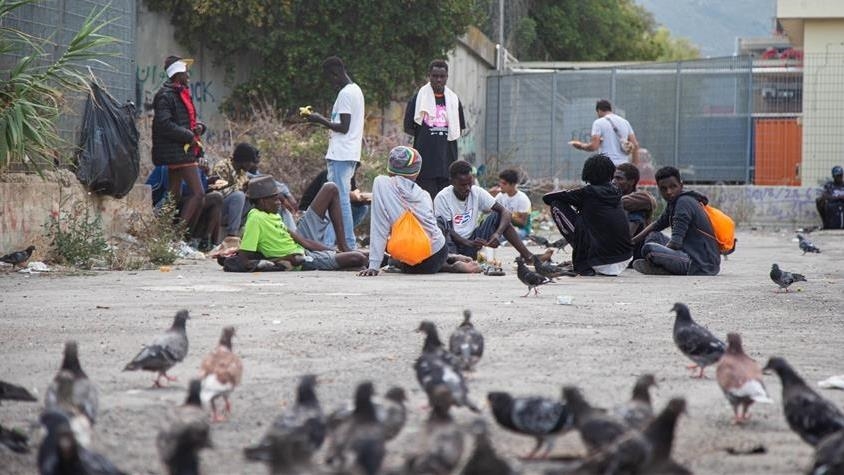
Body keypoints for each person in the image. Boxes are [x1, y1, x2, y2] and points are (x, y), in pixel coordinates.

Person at [359, 146, 479, 276]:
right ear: (416, 173)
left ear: (389, 169)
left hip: (410, 262)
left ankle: (451, 264)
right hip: (436, 256)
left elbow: (379, 224)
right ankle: (450, 259)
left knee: (398, 256)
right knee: (440, 223)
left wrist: (374, 265)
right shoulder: (423, 195)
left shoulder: (381, 183)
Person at [231, 176, 367, 271]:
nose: (279, 203)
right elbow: (245, 258)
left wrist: (333, 250)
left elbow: (305, 242)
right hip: (302, 259)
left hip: (303, 250)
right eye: (275, 200)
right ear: (262, 201)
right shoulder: (255, 219)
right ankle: (345, 262)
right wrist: (280, 261)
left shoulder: (273, 215)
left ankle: (344, 249)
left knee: (330, 188)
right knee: (358, 258)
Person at [306, 56, 364, 250]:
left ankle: (347, 243)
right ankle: (331, 242)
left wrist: (319, 119)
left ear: (336, 73)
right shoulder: (355, 91)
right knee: (339, 200)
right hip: (345, 153)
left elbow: (344, 127)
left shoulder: (346, 94)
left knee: (341, 201)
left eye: (330, 78)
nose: (330, 83)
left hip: (342, 154)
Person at [542, 154, 633, 276]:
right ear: (611, 174)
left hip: (600, 262)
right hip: (625, 257)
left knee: (556, 205)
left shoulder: (586, 192)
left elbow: (547, 198)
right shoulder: (616, 192)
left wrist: (575, 200)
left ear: (587, 174)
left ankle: (584, 262)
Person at [434, 160, 537, 263]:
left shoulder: (477, 192)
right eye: (463, 185)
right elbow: (448, 231)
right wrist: (468, 243)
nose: (468, 188)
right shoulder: (442, 198)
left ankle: (528, 257)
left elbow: (506, 212)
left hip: (472, 241)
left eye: (470, 183)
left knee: (499, 215)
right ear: (452, 182)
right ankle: (452, 260)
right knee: (440, 224)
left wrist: (497, 234)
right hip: (453, 245)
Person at [631, 166, 720, 276]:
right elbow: (657, 225)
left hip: (699, 264)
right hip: (692, 254)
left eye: (673, 187)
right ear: (659, 189)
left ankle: (664, 267)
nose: (669, 192)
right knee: (653, 236)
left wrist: (661, 255)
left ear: (681, 185)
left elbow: (675, 243)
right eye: (664, 189)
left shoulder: (683, 203)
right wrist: (632, 242)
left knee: (649, 249)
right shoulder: (675, 201)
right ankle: (663, 265)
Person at [151, 55, 206, 234]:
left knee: (174, 195)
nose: (188, 76)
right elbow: (164, 124)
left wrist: (198, 128)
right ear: (177, 74)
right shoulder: (166, 96)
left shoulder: (178, 93)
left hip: (182, 149)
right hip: (178, 151)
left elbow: (182, 121)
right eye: (185, 72)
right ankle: (176, 238)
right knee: (198, 194)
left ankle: (160, 233)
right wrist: (189, 135)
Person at [404, 59, 466, 200]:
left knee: (445, 205)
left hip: (448, 164)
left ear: (446, 77)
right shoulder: (418, 98)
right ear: (429, 76)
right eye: (435, 76)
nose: (438, 80)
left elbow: (459, 129)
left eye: (442, 76)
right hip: (425, 165)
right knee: (427, 203)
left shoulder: (454, 100)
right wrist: (426, 137)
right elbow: (408, 127)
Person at [145, 159, 223, 251]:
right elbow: (178, 191)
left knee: (216, 197)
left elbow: (202, 189)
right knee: (198, 198)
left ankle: (206, 241)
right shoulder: (169, 164)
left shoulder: (195, 167)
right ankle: (181, 239)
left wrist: (205, 177)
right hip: (166, 206)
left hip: (187, 205)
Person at [299, 164, 371, 246]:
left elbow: (354, 195)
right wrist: (355, 196)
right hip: (310, 211)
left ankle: (341, 236)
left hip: (327, 210)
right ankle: (327, 244)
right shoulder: (330, 174)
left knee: (362, 208)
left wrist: (363, 199)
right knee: (335, 208)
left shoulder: (348, 177)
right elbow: (331, 197)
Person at [569, 99, 639, 167]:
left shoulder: (598, 123)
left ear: (598, 111)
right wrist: (634, 164)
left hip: (606, 165)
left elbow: (594, 146)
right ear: (610, 109)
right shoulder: (625, 122)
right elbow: (635, 144)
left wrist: (580, 146)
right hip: (623, 165)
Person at [211, 143, 258, 238]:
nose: (251, 165)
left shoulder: (241, 172)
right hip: (218, 210)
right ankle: (232, 235)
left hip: (233, 213)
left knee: (256, 196)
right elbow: (219, 192)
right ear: (243, 160)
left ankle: (248, 231)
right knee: (239, 196)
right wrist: (241, 189)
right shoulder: (222, 167)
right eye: (250, 162)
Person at [613, 162, 657, 261]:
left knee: (636, 212)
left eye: (619, 178)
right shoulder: (614, 196)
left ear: (632, 182)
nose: (614, 181)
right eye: (613, 178)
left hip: (634, 249)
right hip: (616, 247)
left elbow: (649, 200)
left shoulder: (638, 200)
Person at [491, 168, 532, 240]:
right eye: (500, 183)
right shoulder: (500, 196)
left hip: (520, 230)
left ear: (513, 184)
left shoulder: (522, 199)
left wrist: (506, 216)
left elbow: (523, 223)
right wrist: (490, 196)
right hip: (503, 228)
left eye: (504, 184)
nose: (501, 186)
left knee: (504, 237)